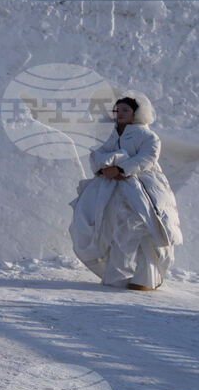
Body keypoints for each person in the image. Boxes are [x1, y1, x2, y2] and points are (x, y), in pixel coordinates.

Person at [70, 94, 184, 290]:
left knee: (140, 229)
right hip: (111, 188)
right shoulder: (111, 135)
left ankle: (145, 279)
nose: (120, 114)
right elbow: (96, 155)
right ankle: (117, 277)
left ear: (136, 113)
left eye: (125, 110)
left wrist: (121, 168)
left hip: (142, 188)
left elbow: (147, 158)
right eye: (117, 110)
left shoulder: (147, 136)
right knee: (112, 228)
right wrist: (104, 168)